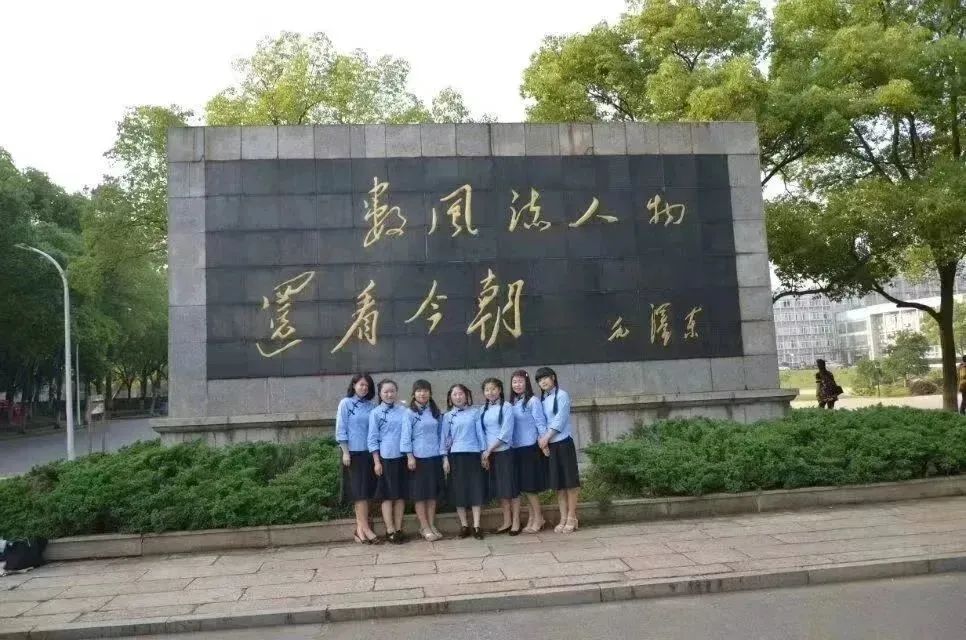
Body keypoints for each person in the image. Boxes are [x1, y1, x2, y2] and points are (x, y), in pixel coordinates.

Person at [336, 373, 380, 544]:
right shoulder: (346, 403)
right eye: (361, 384)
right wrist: (345, 452)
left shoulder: (372, 406)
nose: (364, 388)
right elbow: (341, 429)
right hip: (353, 454)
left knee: (365, 492)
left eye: (367, 386)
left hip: (369, 453)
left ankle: (360, 530)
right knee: (359, 493)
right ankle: (366, 529)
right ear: (354, 385)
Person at [535, 367, 580, 533]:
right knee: (559, 485)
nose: (543, 382)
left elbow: (560, 420)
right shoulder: (543, 400)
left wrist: (546, 438)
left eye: (545, 378)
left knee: (570, 482)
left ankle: (572, 517)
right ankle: (563, 517)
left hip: (564, 443)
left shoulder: (562, 395)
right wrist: (544, 443)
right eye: (539, 380)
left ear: (553, 377)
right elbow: (540, 421)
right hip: (550, 446)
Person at [440, 383, 486, 540]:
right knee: (458, 490)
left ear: (466, 396)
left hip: (473, 454)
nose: (458, 397)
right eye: (455, 394)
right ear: (450, 398)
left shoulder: (475, 413)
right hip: (455, 456)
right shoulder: (447, 416)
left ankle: (477, 526)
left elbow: (480, 434)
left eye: (461, 394)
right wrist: (445, 458)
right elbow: (444, 438)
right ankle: (464, 525)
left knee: (475, 488)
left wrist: (483, 453)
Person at [401, 380, 445, 542]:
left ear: (430, 393)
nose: (422, 393)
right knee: (420, 494)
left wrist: (443, 456)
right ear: (414, 394)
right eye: (419, 391)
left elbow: (441, 435)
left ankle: (431, 524)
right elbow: (405, 436)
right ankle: (424, 527)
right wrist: (409, 456)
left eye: (425, 390)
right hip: (418, 458)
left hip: (434, 457)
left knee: (432, 494)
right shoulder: (409, 413)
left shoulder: (435, 412)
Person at [368, 379, 409, 544]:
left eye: (392, 391)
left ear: (396, 392)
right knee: (387, 496)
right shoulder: (376, 413)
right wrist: (376, 461)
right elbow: (372, 439)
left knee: (400, 495)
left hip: (403, 457)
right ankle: (389, 530)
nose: (389, 394)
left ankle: (398, 529)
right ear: (380, 393)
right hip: (386, 458)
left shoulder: (404, 411)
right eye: (385, 391)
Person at [509, 369, 548, 534]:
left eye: (520, 382)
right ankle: (532, 518)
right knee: (524, 488)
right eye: (514, 382)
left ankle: (539, 518)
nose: (517, 385)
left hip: (530, 448)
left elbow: (540, 423)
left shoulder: (533, 401)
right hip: (516, 449)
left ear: (527, 383)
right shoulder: (512, 403)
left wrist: (544, 444)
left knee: (531, 488)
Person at [480, 377, 519, 535]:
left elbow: (506, 432)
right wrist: (485, 454)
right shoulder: (483, 409)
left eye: (493, 389)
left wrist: (489, 450)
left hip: (504, 452)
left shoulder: (507, 407)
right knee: (501, 489)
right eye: (487, 390)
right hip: (490, 454)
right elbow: (482, 433)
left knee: (511, 488)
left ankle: (516, 522)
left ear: (500, 390)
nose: (490, 392)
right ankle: (507, 521)